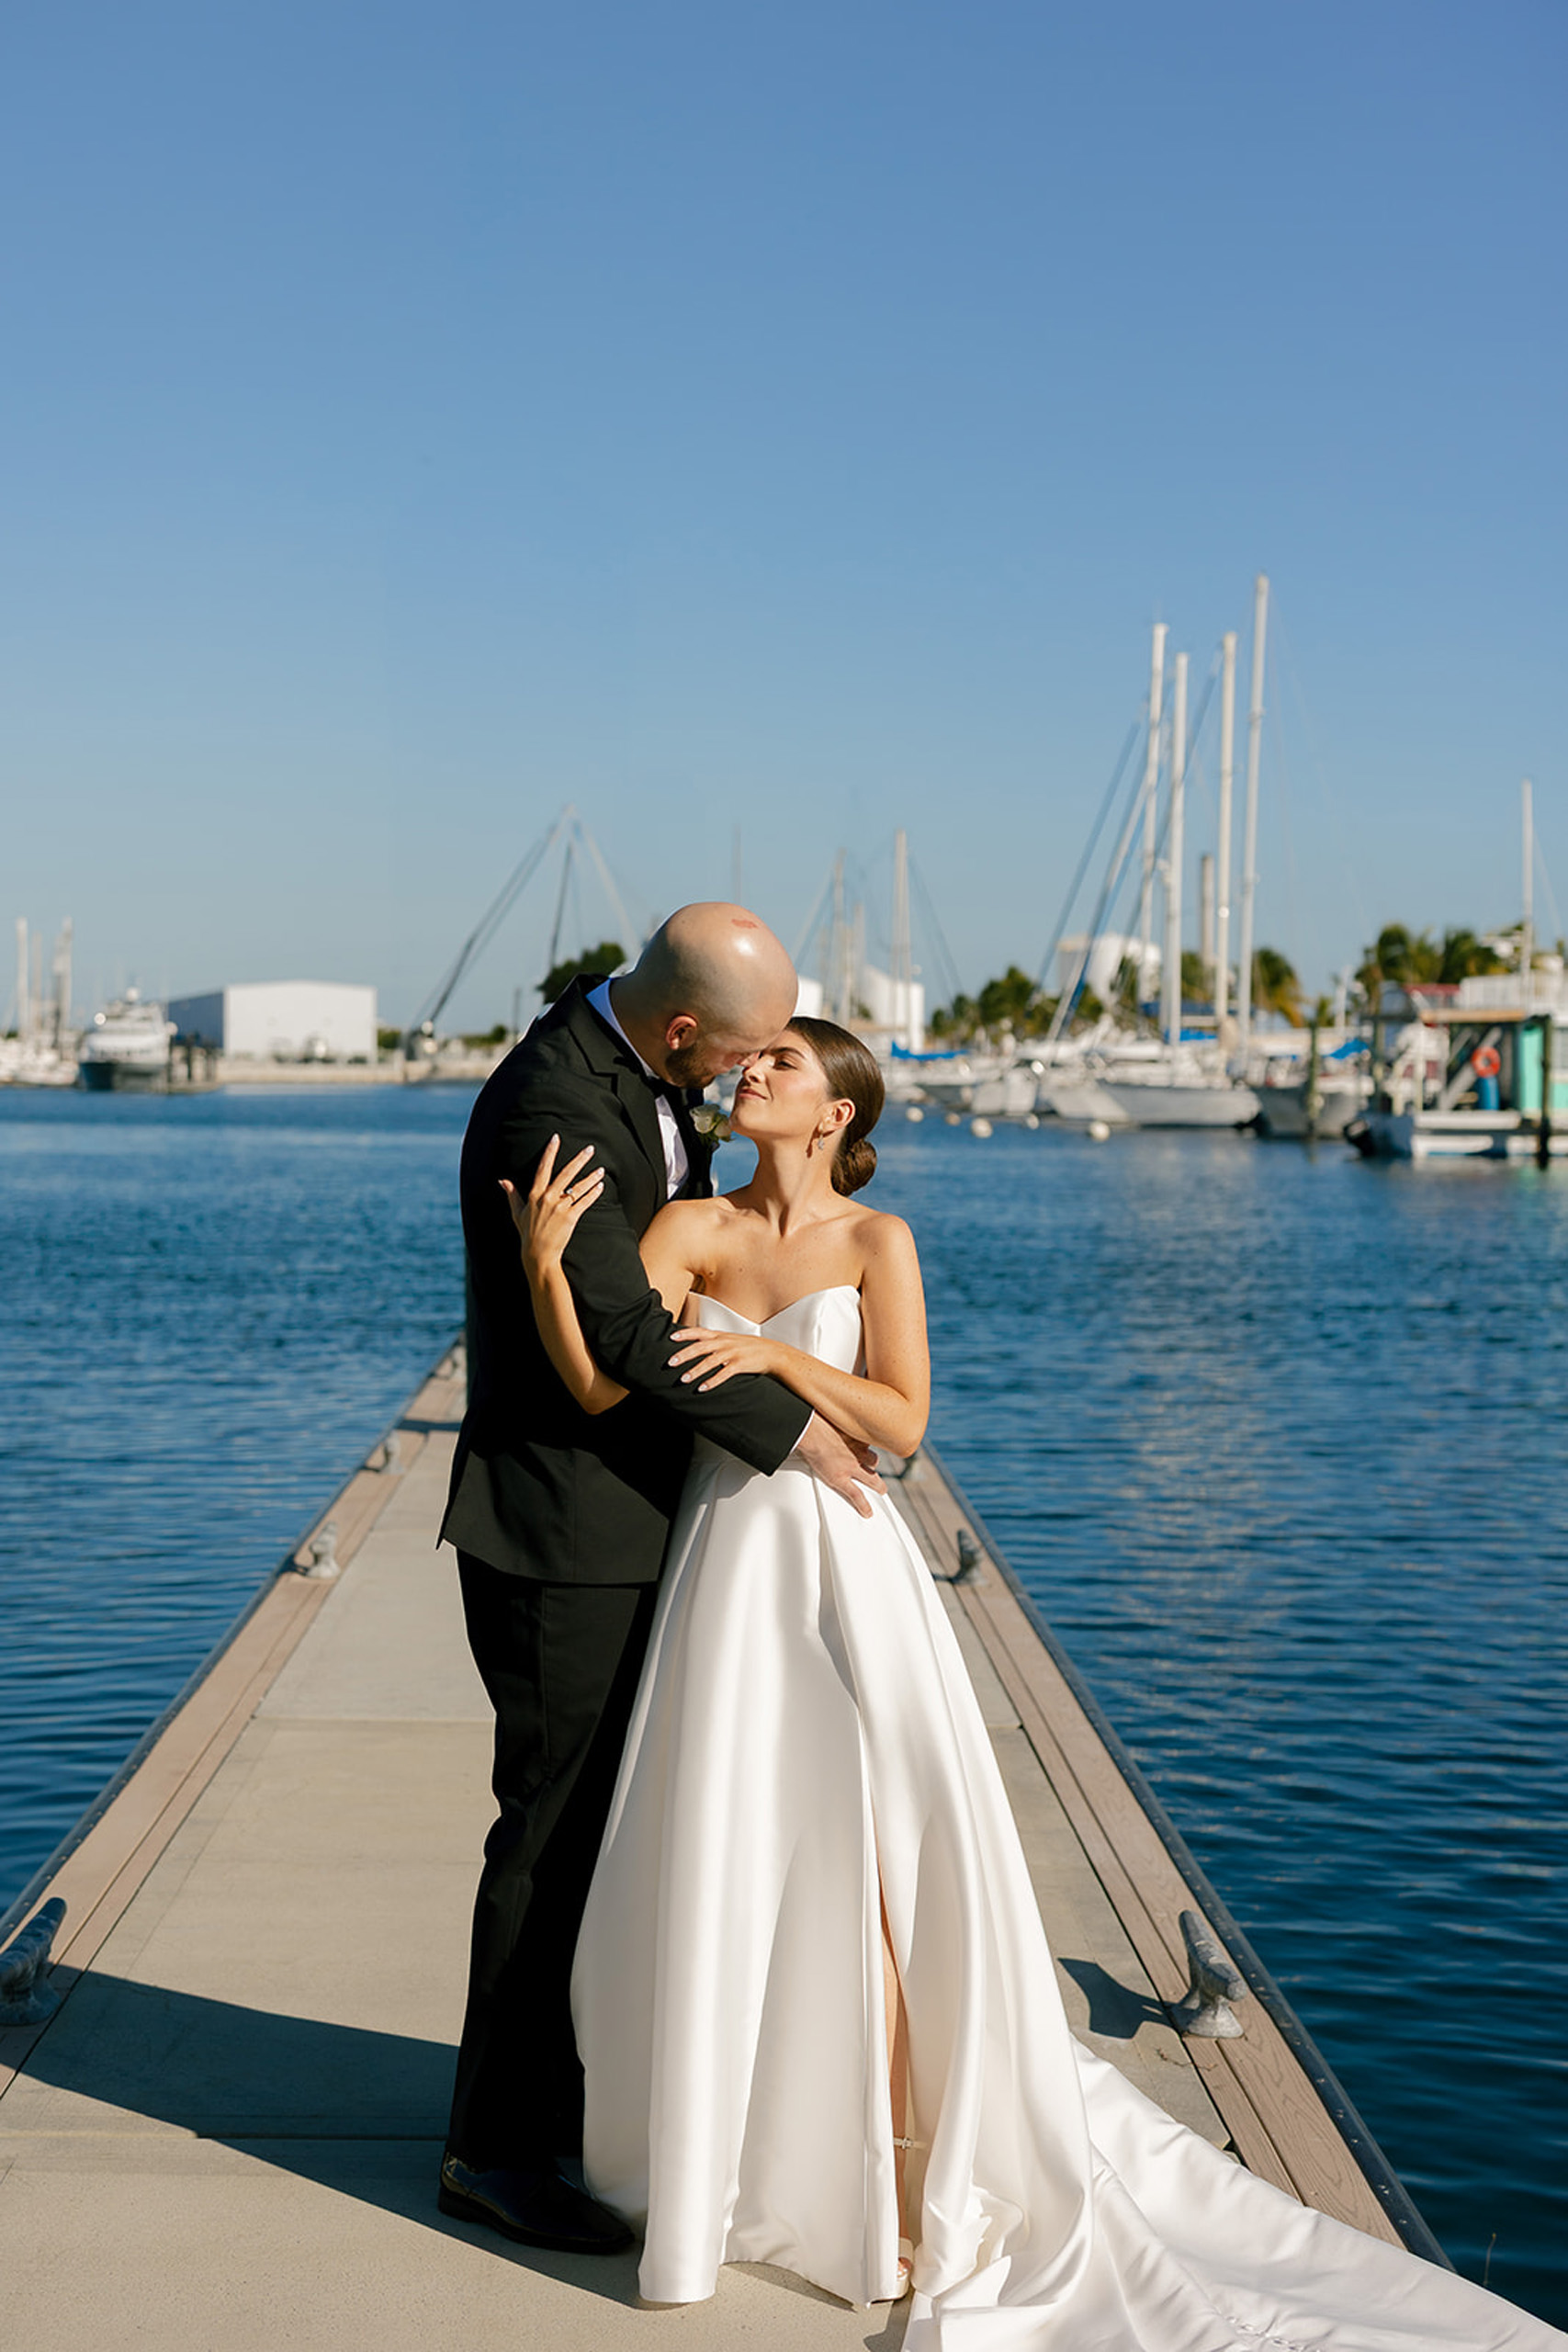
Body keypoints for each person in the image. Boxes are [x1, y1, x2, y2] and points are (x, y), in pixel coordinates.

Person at [510, 1015, 1567, 2350]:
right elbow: (603, 1390)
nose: (752, 1073)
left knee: (883, 1865)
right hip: (727, 1566)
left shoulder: (876, 1244)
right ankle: (734, 2151)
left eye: (782, 1064)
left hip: (851, 1568)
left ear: (836, 1112)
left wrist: (779, 1356)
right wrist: (552, 1268)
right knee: (737, 1847)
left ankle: (888, 2168)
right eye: (752, 1059)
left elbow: (900, 1424)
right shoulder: (688, 1230)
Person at [437, 910, 884, 2257]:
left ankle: (593, 2102)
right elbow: (620, 1333)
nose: (755, 1075)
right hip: (562, 1533)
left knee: (614, 1836)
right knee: (551, 1834)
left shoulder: (635, 1063)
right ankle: (492, 2152)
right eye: (746, 1052)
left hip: (647, 1523)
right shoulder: (556, 1105)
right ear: (684, 1031)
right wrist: (793, 1428)